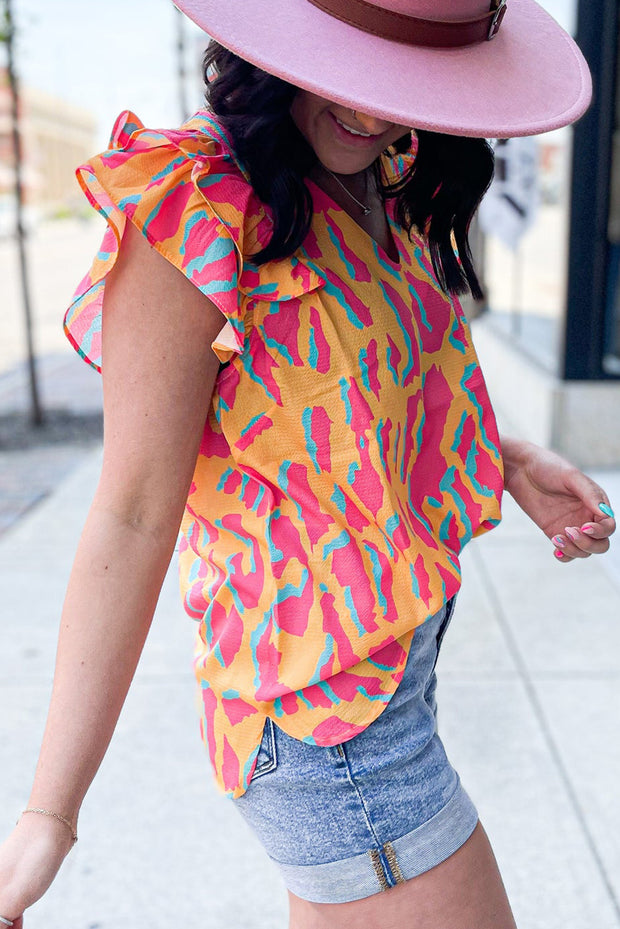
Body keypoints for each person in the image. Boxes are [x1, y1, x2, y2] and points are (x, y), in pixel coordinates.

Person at [0, 0, 615, 926]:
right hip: (332, 728)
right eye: (358, 64)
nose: (375, 112)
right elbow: (130, 512)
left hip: (390, 678)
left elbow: (370, 396)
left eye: (408, 76)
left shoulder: (392, 177)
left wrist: (506, 460)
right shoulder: (199, 213)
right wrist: (51, 811)